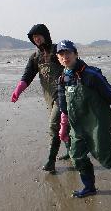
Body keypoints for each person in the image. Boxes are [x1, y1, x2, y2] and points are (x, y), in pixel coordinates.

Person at [56, 40, 111, 198]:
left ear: (75, 54)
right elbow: (63, 106)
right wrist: (63, 127)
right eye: (61, 54)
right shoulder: (62, 79)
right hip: (78, 126)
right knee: (76, 156)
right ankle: (89, 187)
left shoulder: (91, 75)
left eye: (68, 53)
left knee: (105, 158)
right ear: (58, 58)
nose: (65, 57)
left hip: (97, 124)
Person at [10, 24, 71, 173]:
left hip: (64, 95)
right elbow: (27, 76)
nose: (36, 39)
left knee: (53, 125)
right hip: (49, 97)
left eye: (38, 35)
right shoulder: (35, 57)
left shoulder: (58, 50)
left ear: (45, 35)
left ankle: (51, 161)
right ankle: (71, 153)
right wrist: (18, 90)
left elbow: (72, 64)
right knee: (64, 126)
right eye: (33, 37)